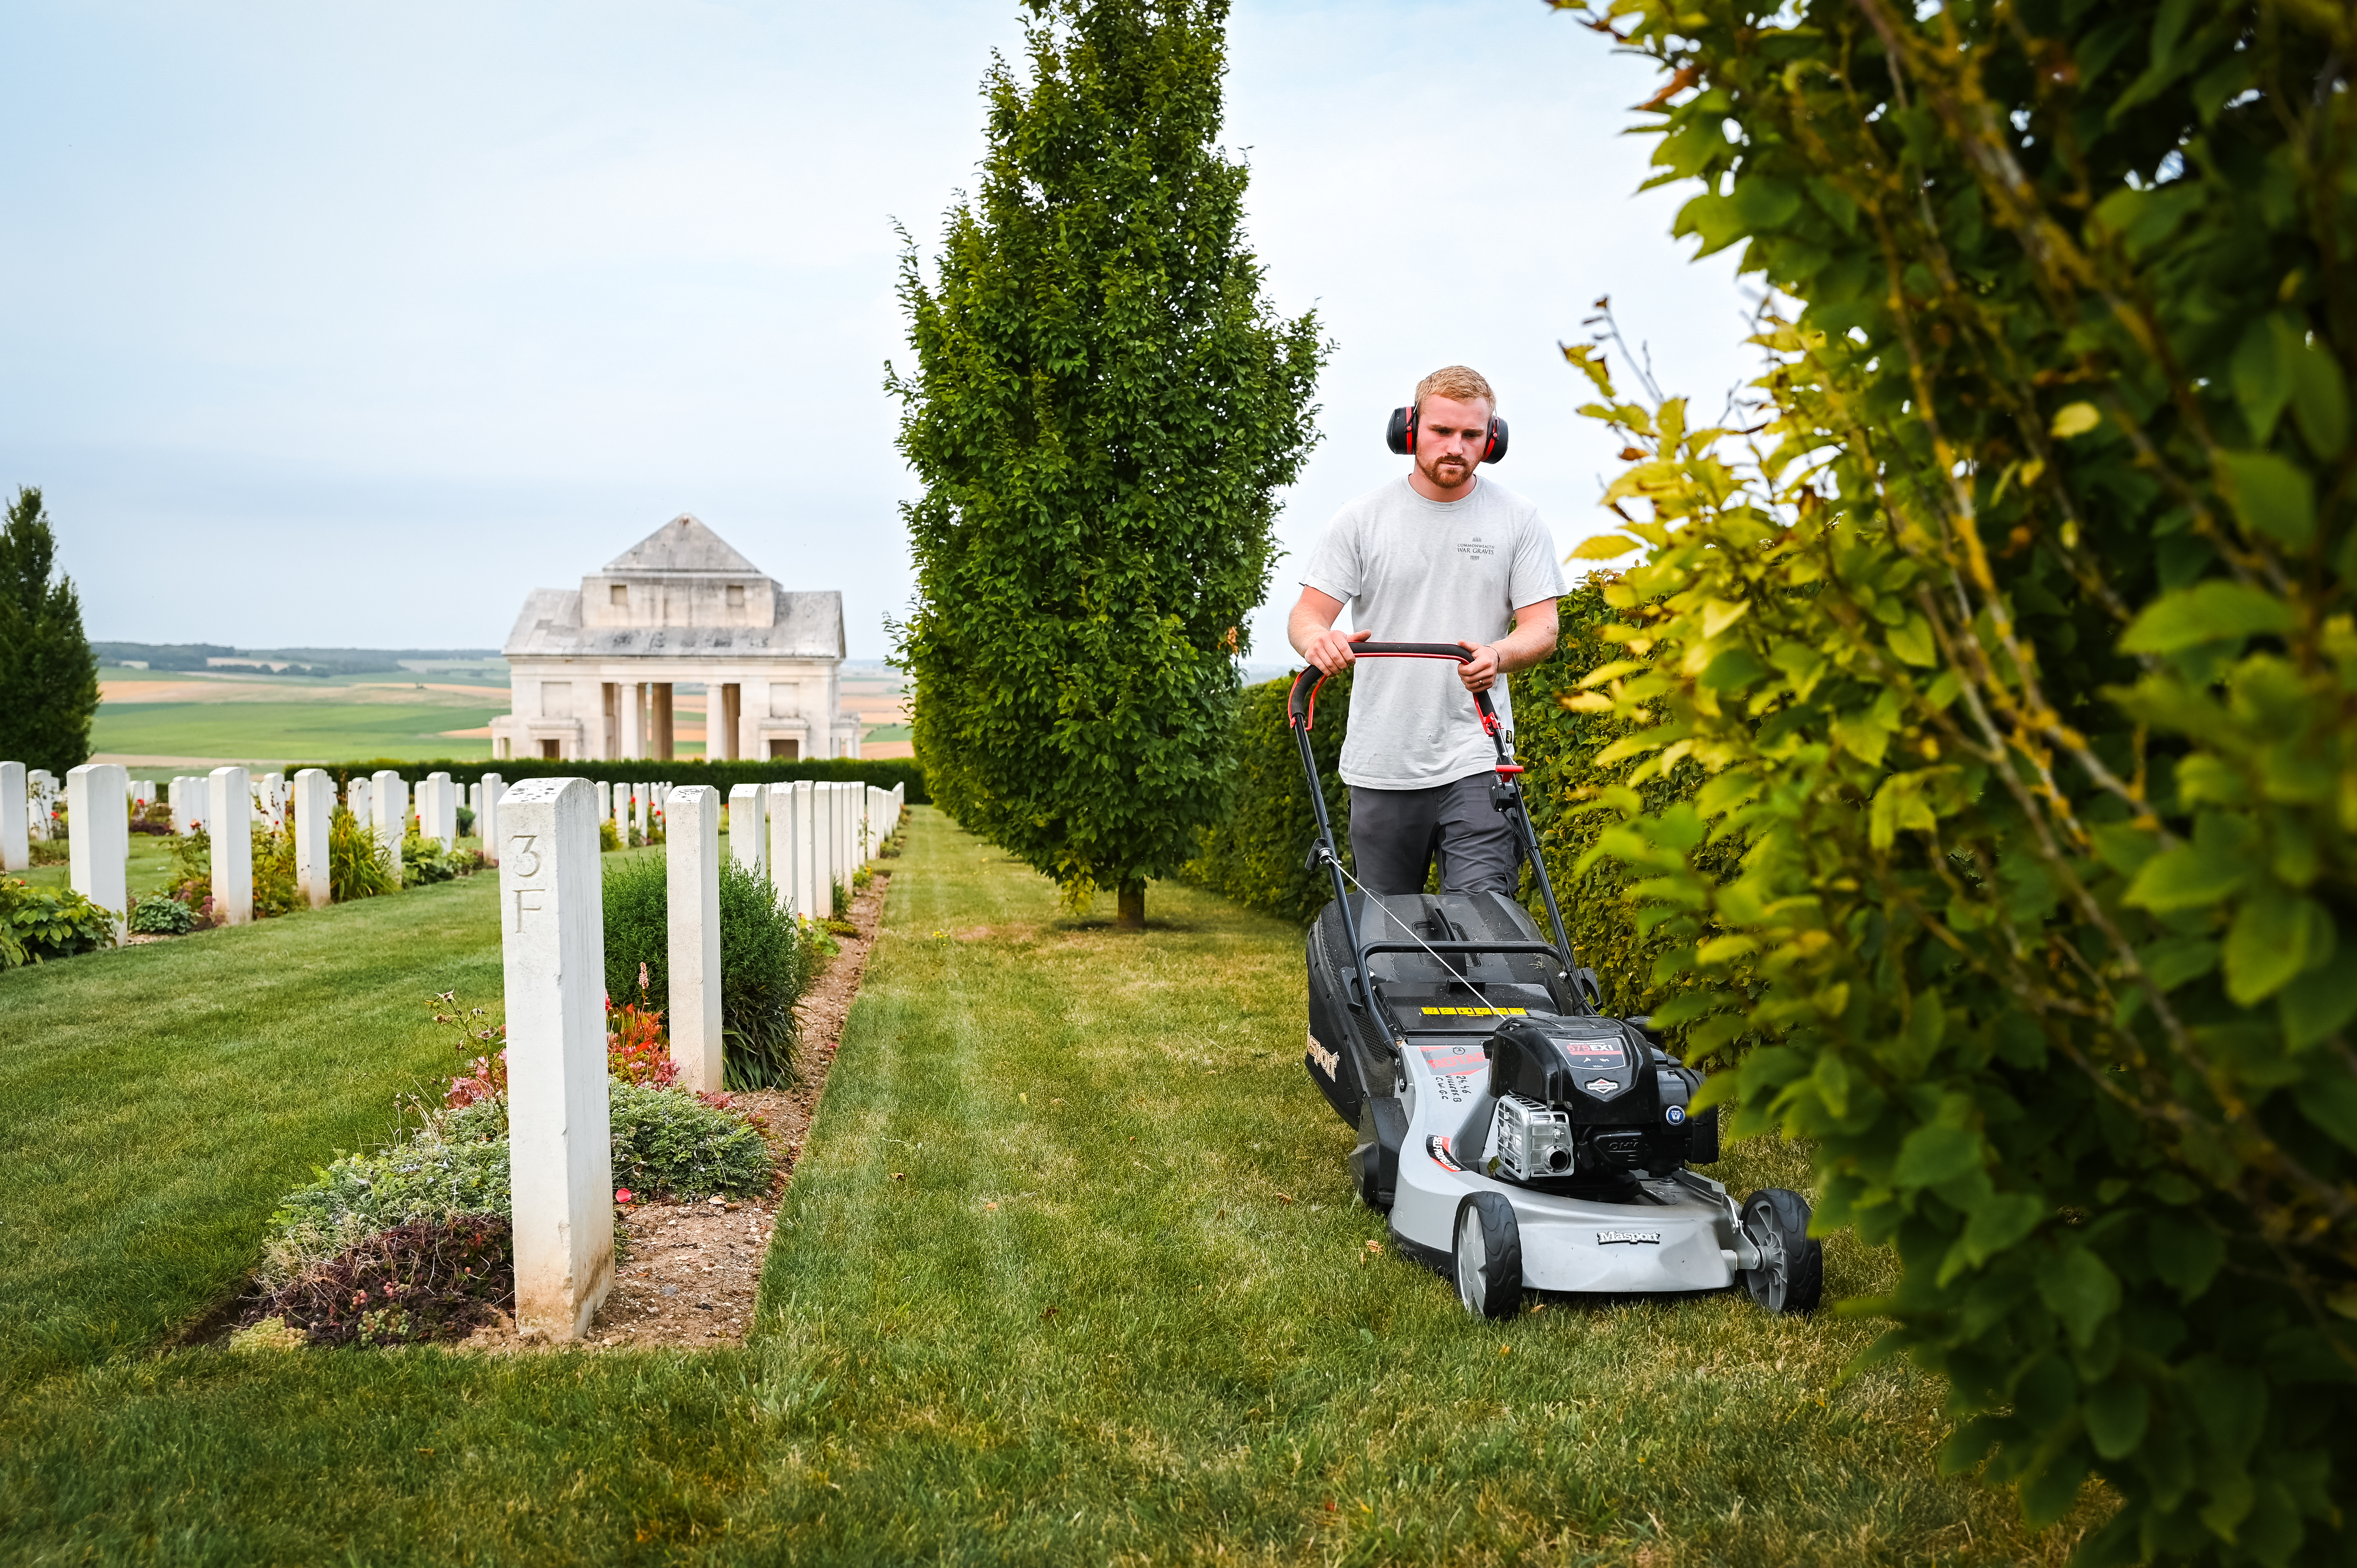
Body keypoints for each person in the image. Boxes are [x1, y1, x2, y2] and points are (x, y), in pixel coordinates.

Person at [1289, 364, 1564, 897]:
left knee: (1486, 922)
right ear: (1410, 430)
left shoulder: (1518, 519)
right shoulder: (1361, 518)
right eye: (1442, 431)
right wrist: (1317, 641)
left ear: (1493, 438)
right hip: (1381, 763)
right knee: (1392, 938)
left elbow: (1542, 627)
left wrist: (1499, 654)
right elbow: (1307, 614)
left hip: (1477, 757)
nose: (1456, 446)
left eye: (1471, 434)